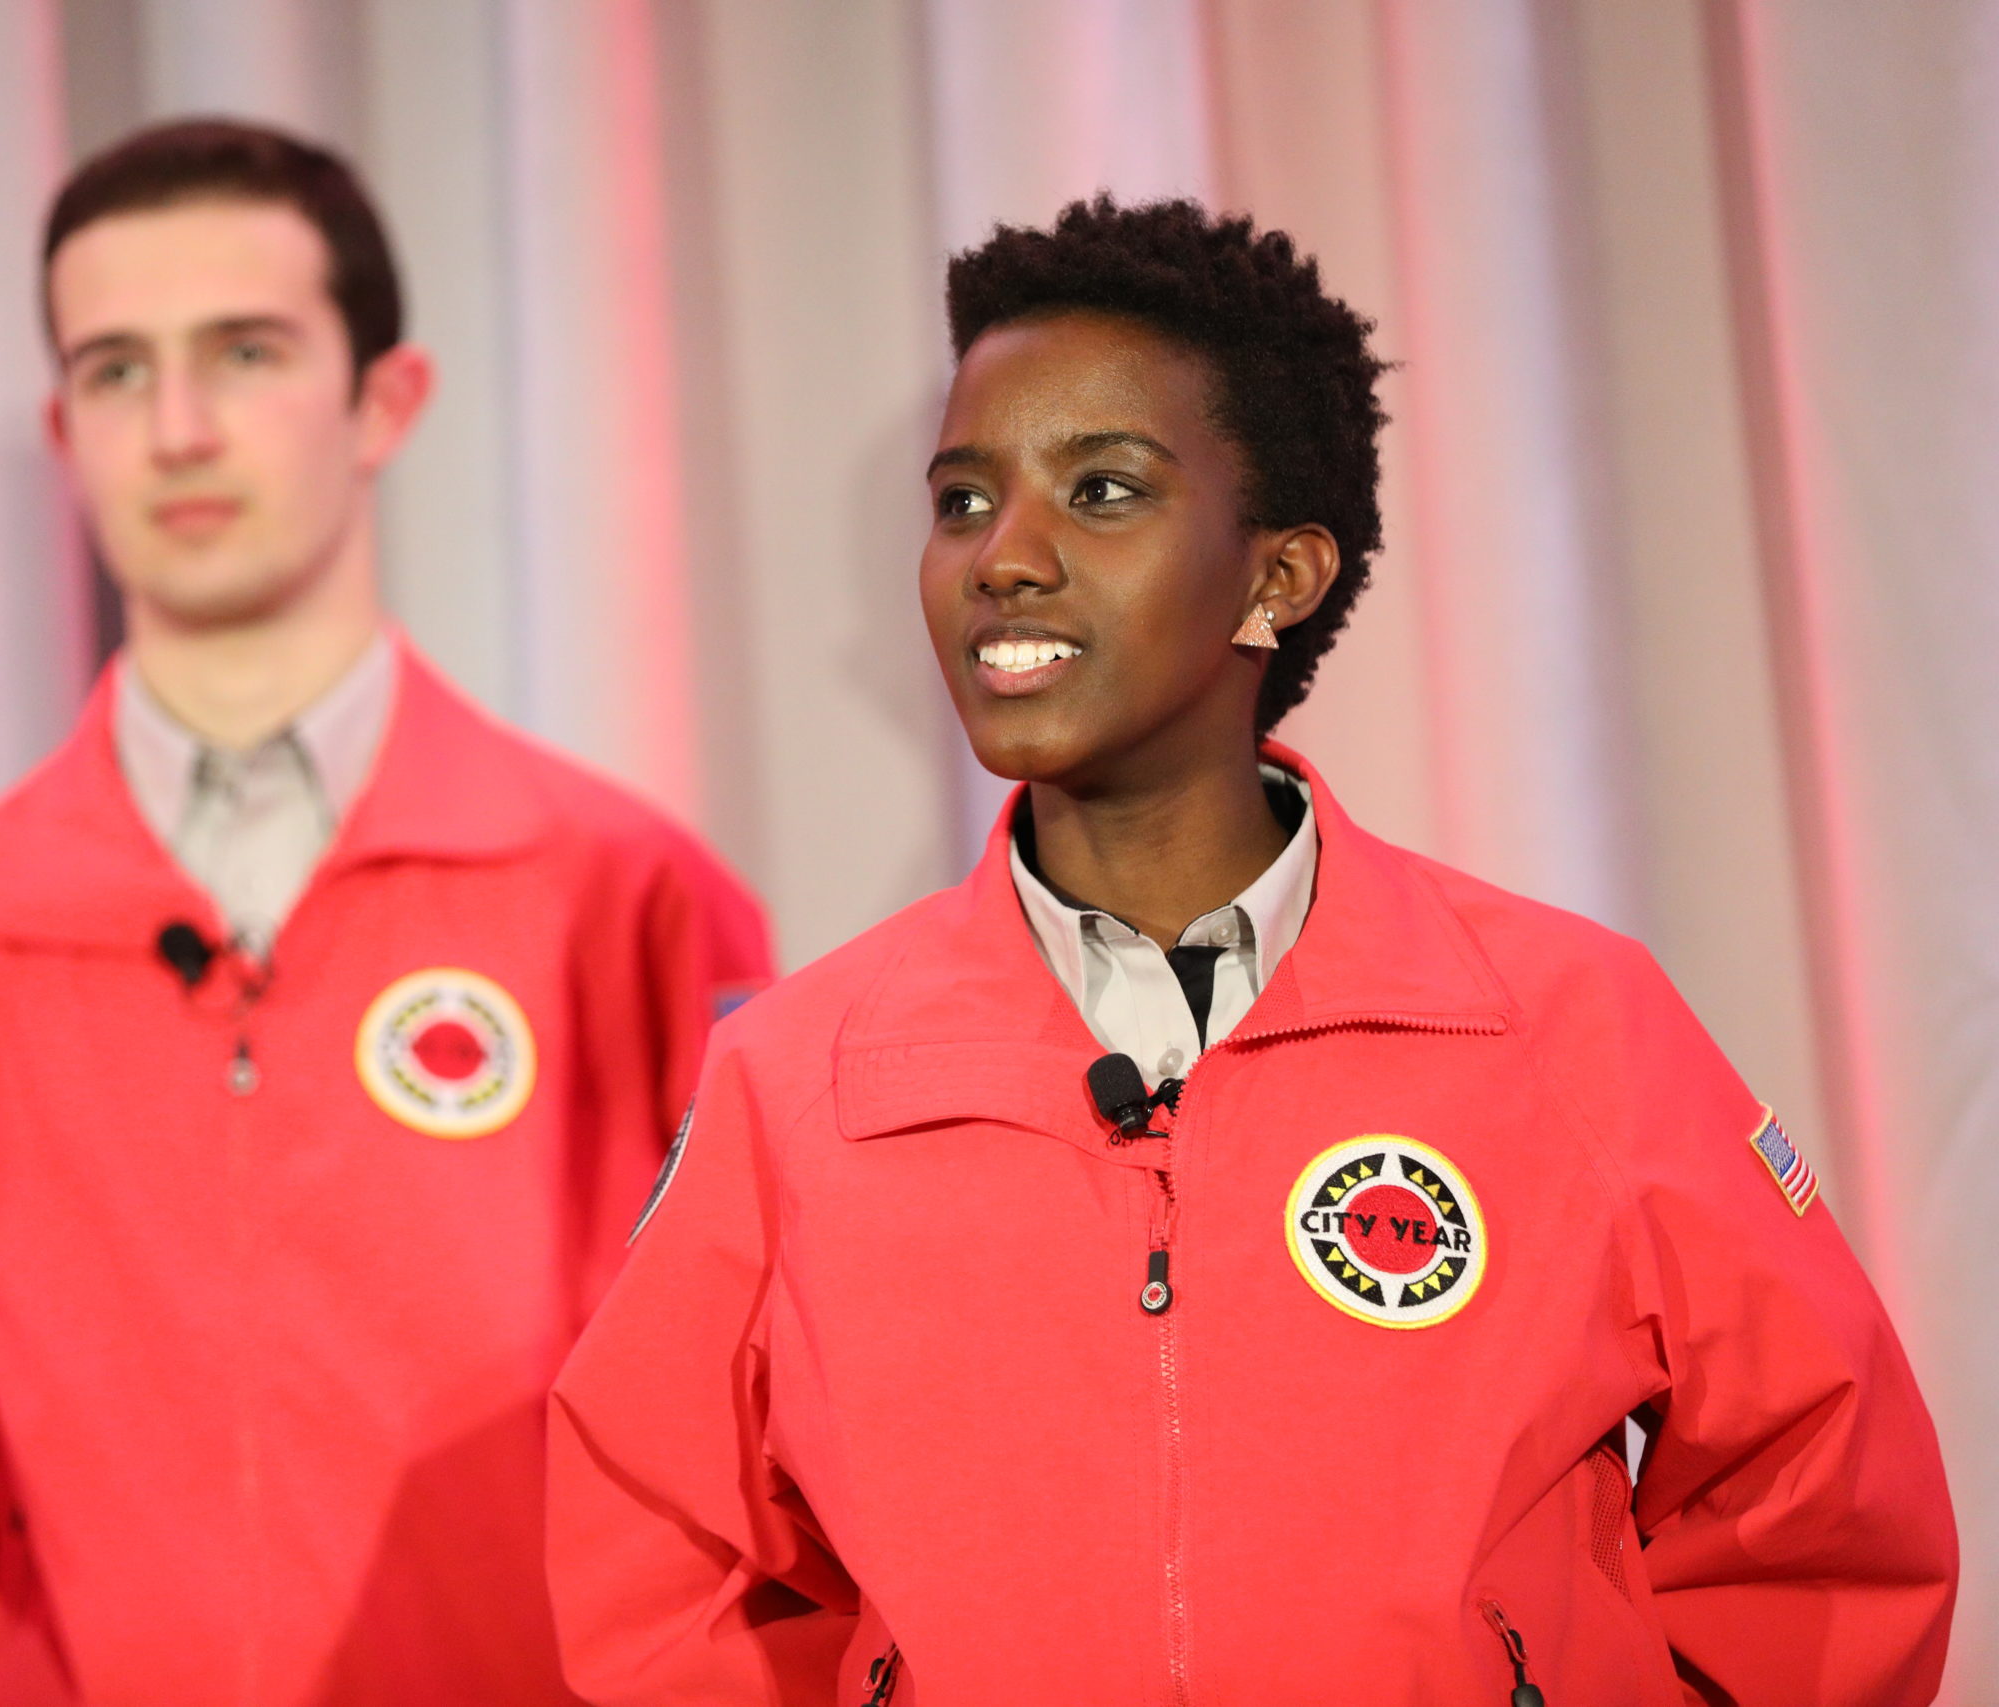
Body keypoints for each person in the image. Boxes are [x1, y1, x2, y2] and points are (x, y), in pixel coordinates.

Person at [545, 198, 1956, 1706]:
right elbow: (660, 1560)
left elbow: (1821, 1524)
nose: (1001, 560)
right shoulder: (798, 1079)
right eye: (964, 501)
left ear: (1278, 577)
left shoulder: (1563, 1024)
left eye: (1100, 491)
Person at [0, 119, 771, 1705]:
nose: (177, 427)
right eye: (116, 371)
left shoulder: (633, 899)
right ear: (65, 431)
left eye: (244, 353)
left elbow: (743, 1458)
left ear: (384, 400)